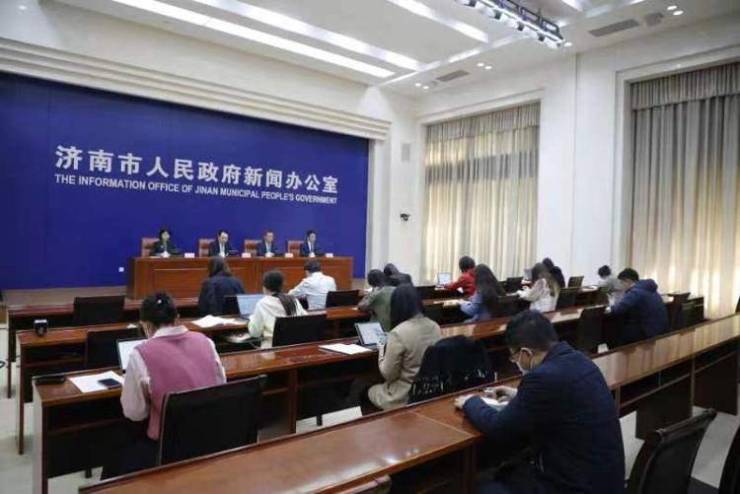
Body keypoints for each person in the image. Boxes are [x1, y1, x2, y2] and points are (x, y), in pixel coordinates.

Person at [455, 311, 624, 494]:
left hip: (575, 486)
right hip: (605, 481)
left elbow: (499, 428)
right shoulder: (580, 359)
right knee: (512, 469)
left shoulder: (543, 378)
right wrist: (519, 395)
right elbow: (561, 397)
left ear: (526, 353)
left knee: (484, 487)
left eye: (514, 357)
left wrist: (471, 402)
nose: (515, 362)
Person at [107, 292, 226, 478]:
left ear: (146, 325)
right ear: (177, 318)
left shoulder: (140, 353)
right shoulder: (206, 342)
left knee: (117, 450)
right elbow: (221, 385)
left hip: (168, 448)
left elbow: (135, 413)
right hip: (211, 437)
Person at [365, 284, 441, 411]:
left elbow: (388, 374)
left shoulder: (398, 333)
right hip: (429, 390)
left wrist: (381, 347)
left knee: (365, 389)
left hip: (402, 395)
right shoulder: (435, 326)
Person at [610, 268, 669, 345]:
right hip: (661, 328)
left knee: (614, 333)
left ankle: (618, 351)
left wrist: (611, 308)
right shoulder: (649, 289)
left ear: (628, 281)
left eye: (621, 282)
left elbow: (619, 309)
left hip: (648, 331)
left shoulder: (635, 292)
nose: (621, 285)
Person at [248, 270, 306, 348]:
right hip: (293, 347)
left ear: (265, 287)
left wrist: (252, 318)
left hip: (271, 350)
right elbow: (305, 319)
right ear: (282, 285)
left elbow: (255, 333)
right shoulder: (293, 300)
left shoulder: (262, 303)